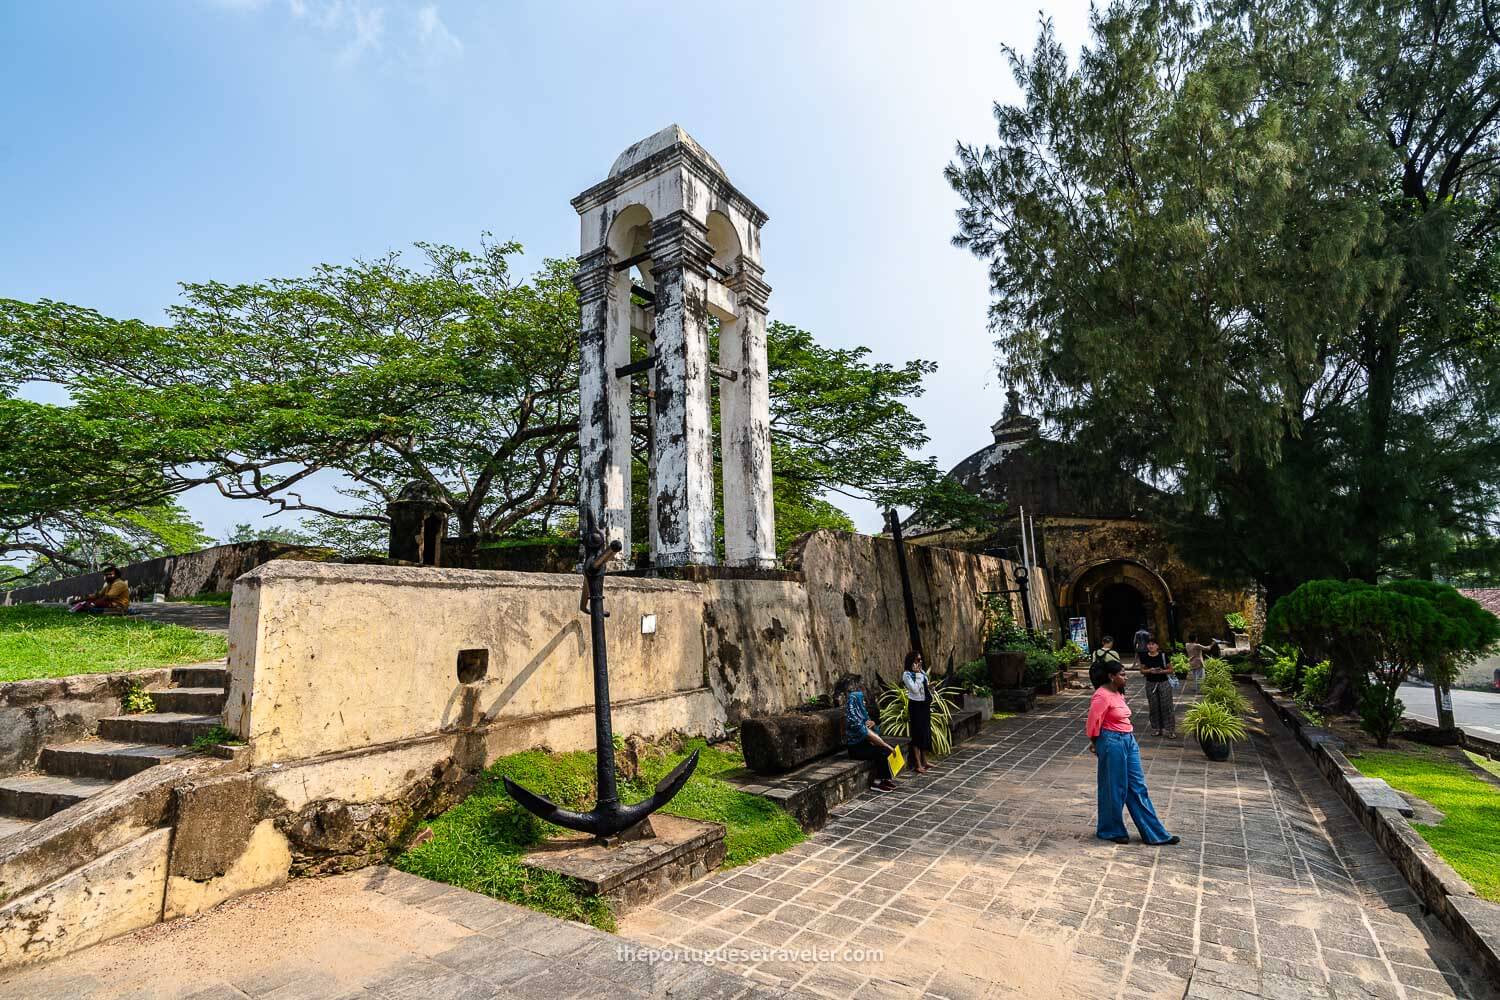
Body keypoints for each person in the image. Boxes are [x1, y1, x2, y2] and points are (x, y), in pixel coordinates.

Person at [1087, 659, 1180, 846]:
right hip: (1111, 741)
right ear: (1111, 677)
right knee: (1114, 787)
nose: (1126, 677)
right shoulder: (1101, 696)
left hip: (1128, 740)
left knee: (1138, 787)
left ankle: (1155, 833)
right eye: (1122, 674)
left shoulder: (1117, 693)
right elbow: (1093, 723)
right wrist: (1095, 742)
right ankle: (1110, 830)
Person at [843, 679, 898, 791]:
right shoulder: (854, 720)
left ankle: (885, 779)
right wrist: (886, 746)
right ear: (856, 702)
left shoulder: (862, 715)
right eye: (862, 700)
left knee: (884, 750)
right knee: (881, 752)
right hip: (856, 749)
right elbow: (867, 734)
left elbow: (876, 732)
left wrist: (873, 724)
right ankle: (876, 783)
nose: (864, 703)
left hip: (865, 745)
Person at [901, 651, 933, 774]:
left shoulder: (922, 672)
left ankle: (925, 761)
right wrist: (918, 675)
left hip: (924, 704)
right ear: (911, 662)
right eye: (917, 660)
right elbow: (914, 689)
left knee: (925, 732)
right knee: (917, 733)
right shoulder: (907, 675)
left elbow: (925, 686)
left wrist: (930, 688)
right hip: (915, 706)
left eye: (920, 660)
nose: (920, 662)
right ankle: (918, 764)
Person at [1137, 638, 1176, 738]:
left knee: (1166, 706)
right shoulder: (1144, 656)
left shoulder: (1163, 656)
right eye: (1149, 644)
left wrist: (1160, 671)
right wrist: (1150, 670)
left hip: (1164, 683)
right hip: (1150, 684)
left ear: (1157, 646)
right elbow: (1142, 670)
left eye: (1153, 644)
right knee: (1153, 706)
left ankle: (1170, 730)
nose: (1150, 646)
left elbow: (1171, 669)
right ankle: (1156, 728)